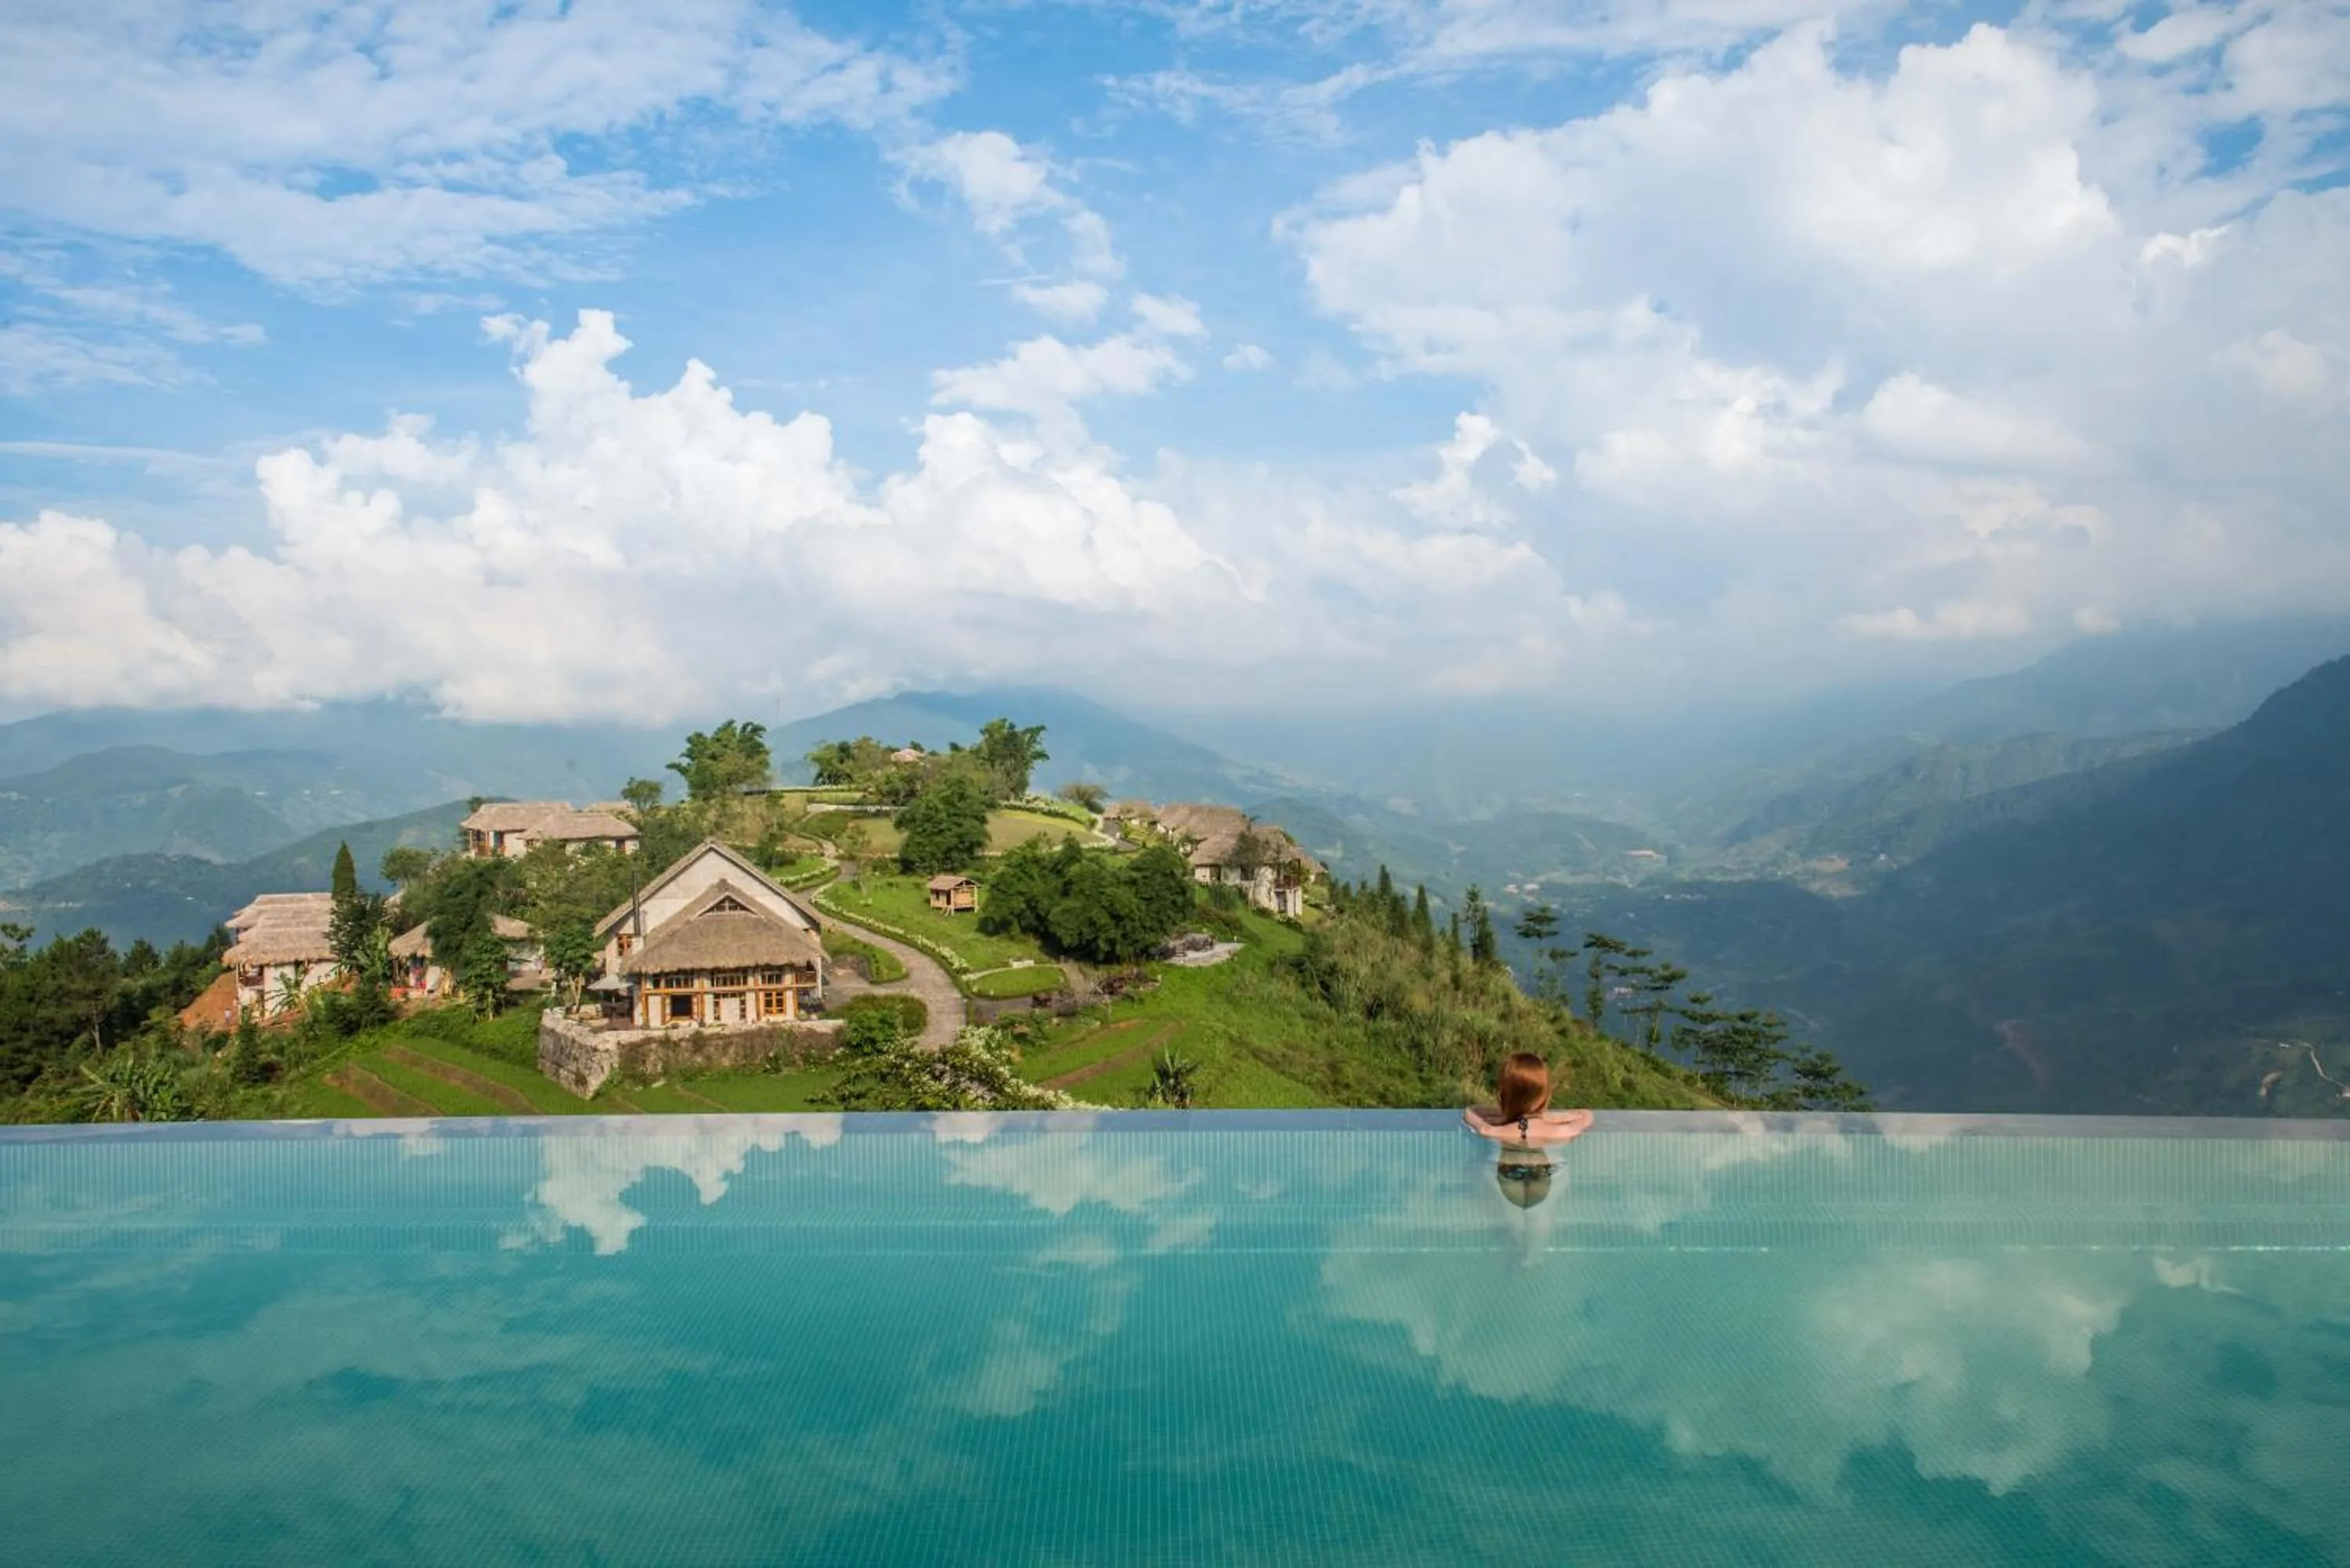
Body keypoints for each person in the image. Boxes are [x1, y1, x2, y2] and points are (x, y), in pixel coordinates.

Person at [1464, 1052, 1593, 1209]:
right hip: (1546, 1171)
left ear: (1502, 1096)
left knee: (1511, 1218)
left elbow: (1471, 1112)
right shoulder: (1563, 1131)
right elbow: (1586, 1115)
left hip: (1509, 1169)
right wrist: (1550, 1118)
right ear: (1546, 1095)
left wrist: (1503, 1118)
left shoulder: (1494, 1131)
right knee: (1543, 1217)